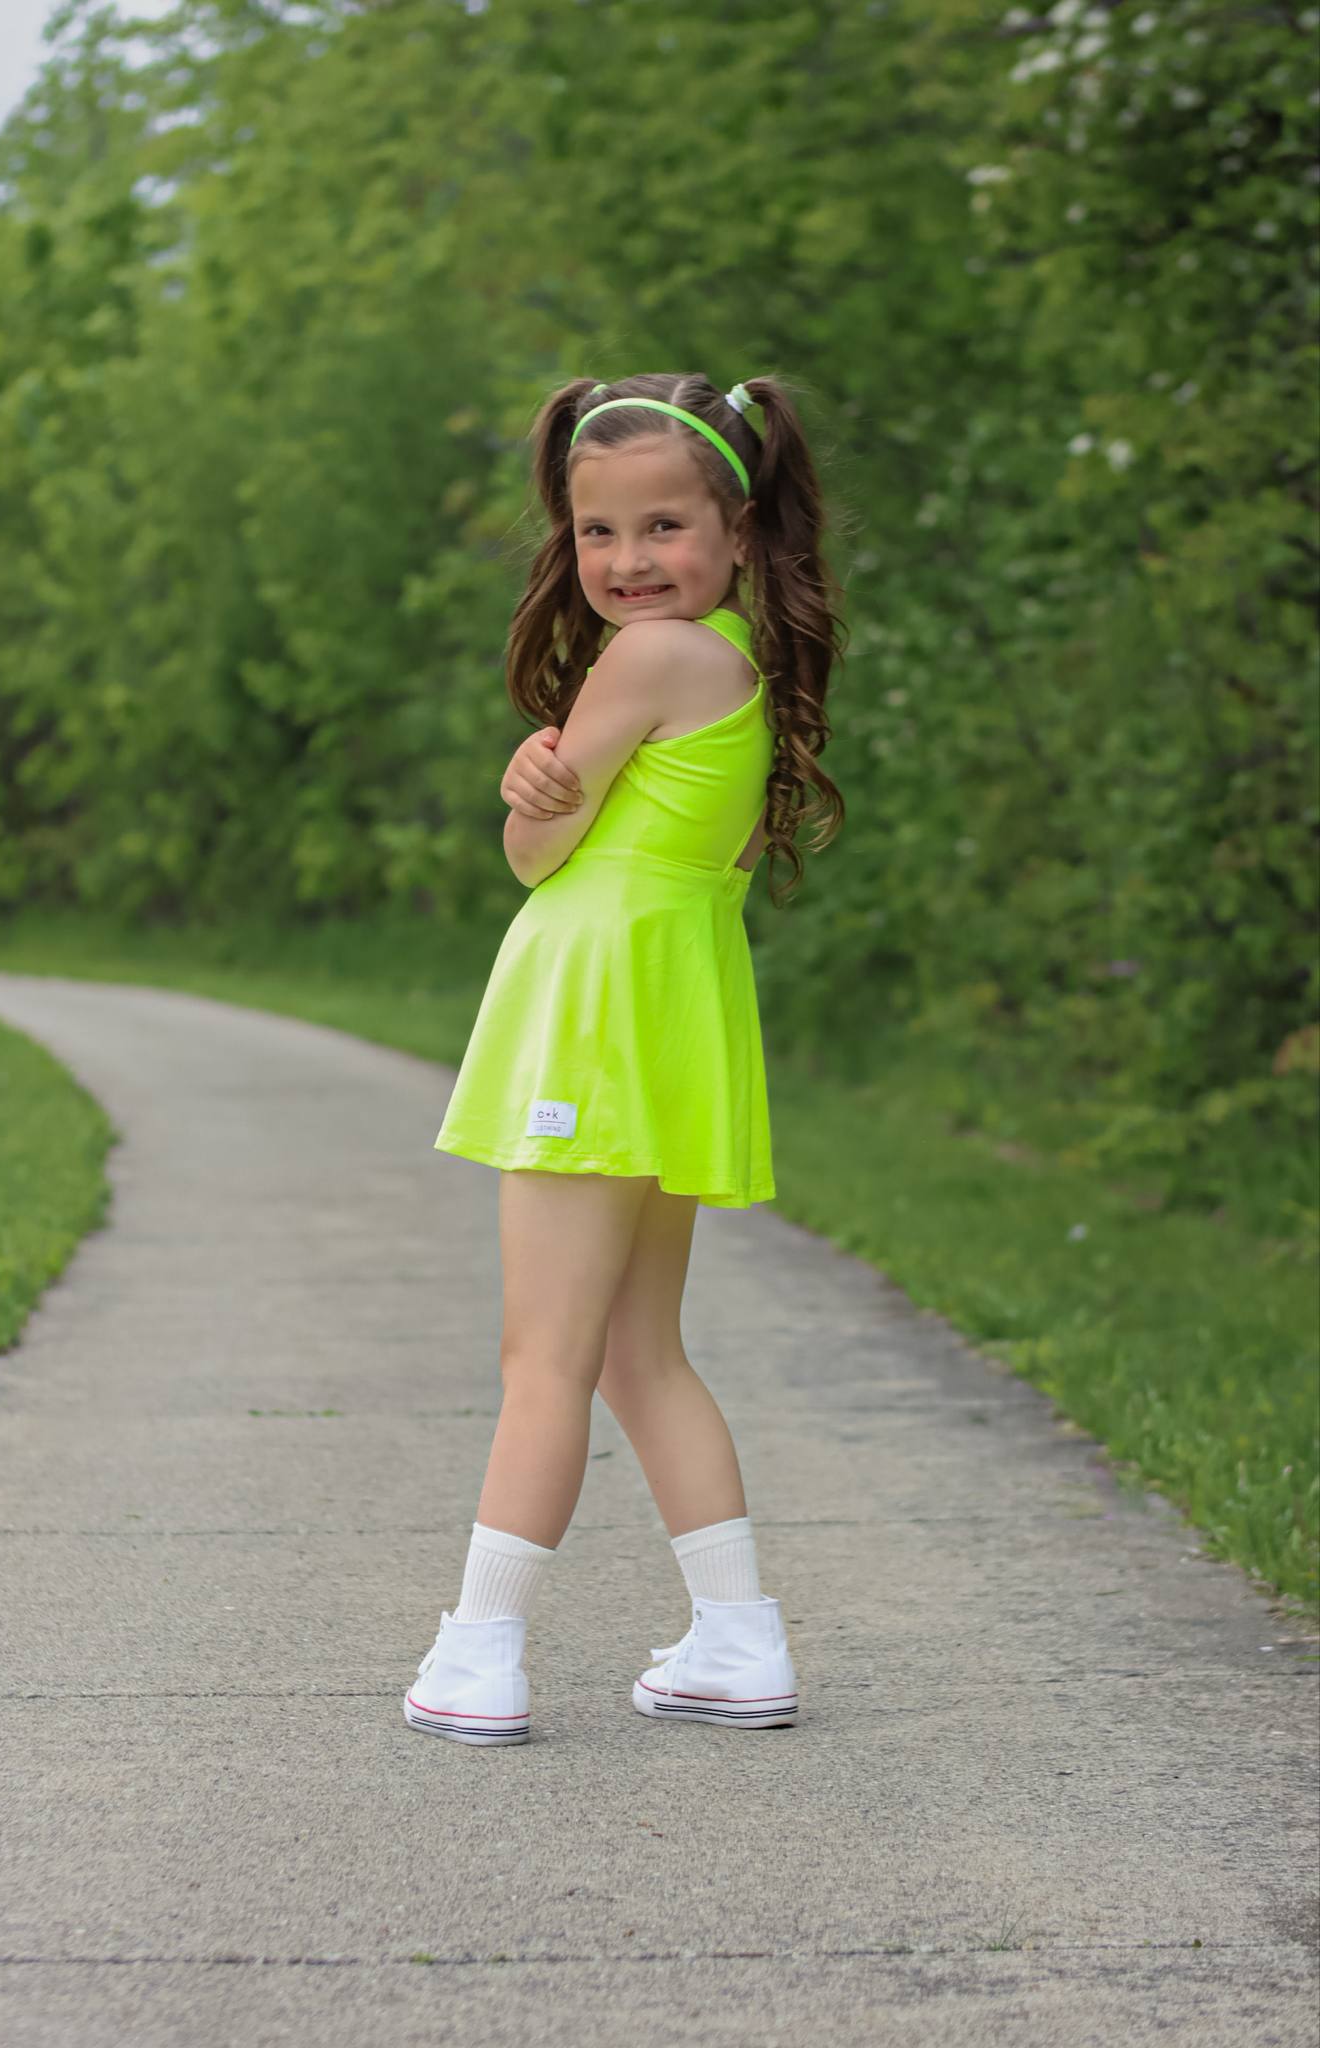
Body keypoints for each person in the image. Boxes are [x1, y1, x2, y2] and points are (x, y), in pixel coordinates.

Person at [407, 371, 847, 1745]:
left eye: (664, 526)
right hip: (669, 1008)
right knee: (640, 1351)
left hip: (597, 1017)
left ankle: (479, 1654)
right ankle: (737, 1638)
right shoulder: (737, 658)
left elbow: (537, 854)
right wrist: (547, 783)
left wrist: (525, 788)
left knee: (544, 1353)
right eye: (599, 531)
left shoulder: (648, 660)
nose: (628, 560)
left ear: (738, 529)